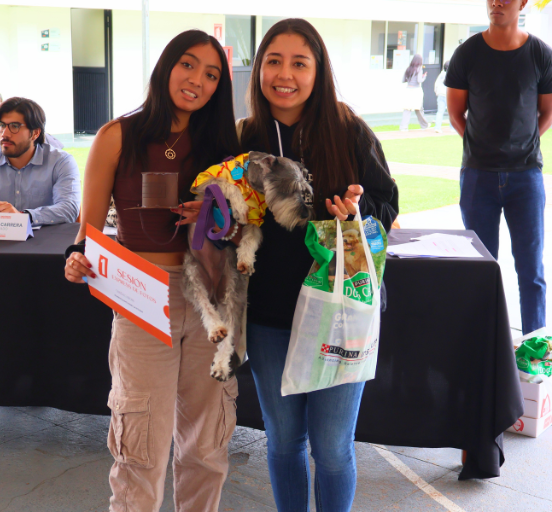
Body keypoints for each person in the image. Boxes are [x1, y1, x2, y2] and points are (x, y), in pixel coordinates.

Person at [63, 30, 240, 511]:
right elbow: (88, 232)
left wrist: (217, 213)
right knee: (139, 446)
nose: (197, 81)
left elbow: (248, 223)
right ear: (166, 67)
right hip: (142, 301)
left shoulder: (227, 146)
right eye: (188, 65)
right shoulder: (117, 135)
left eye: (211, 75)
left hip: (212, 302)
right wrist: (77, 259)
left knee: (207, 446)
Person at [236, 18, 398, 512]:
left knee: (331, 448)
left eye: (299, 63)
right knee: (284, 442)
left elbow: (387, 207)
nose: (285, 74)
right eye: (274, 61)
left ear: (318, 71)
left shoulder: (347, 129)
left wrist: (359, 211)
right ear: (259, 69)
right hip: (268, 316)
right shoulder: (244, 136)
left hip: (340, 312)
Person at [445, 0, 552, 335]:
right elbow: (456, 113)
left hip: (526, 178)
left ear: (523, 3)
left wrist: (519, 146)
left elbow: (547, 114)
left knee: (531, 271)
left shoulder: (540, 55)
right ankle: (484, 346)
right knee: (481, 268)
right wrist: (482, 147)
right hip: (477, 177)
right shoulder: (467, 53)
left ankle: (534, 348)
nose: (497, 2)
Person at [0, 96, 80, 226]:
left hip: (45, 245)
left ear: (35, 133)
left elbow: (69, 209)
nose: (4, 133)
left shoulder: (61, 162)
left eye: (14, 126)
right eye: (1, 125)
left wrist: (23, 217)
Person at [399, 54, 430, 131]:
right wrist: (424, 77)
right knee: (419, 109)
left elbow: (403, 80)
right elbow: (419, 80)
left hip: (408, 90)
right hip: (416, 91)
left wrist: (410, 79)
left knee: (407, 109)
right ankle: (424, 125)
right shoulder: (419, 69)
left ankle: (403, 127)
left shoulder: (408, 69)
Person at [433, 60, 452, 133]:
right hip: (449, 96)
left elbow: (436, 84)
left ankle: (437, 128)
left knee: (440, 112)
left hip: (441, 95)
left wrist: (437, 92)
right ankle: (452, 128)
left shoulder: (441, 74)